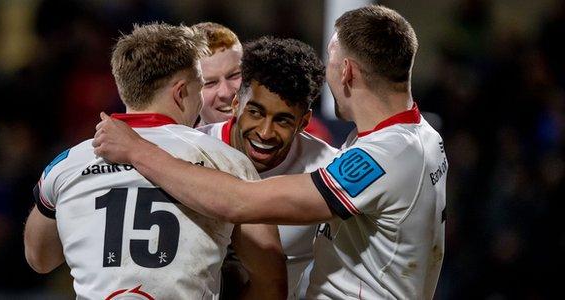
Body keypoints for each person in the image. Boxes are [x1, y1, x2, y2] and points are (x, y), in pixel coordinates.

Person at [93, 5, 447, 299]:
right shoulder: (420, 135)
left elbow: (240, 202)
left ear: (348, 71)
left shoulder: (384, 155)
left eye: (331, 61)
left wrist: (137, 149)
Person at [24, 23, 287, 299]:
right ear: (181, 92)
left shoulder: (66, 164)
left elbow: (39, 259)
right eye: (202, 86)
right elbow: (271, 281)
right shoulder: (229, 163)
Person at [197, 36, 337, 299]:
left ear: (304, 121)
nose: (265, 132)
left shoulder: (328, 170)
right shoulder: (192, 150)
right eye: (256, 112)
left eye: (283, 120)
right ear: (237, 103)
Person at [193, 22, 243, 126]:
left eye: (234, 75)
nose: (226, 93)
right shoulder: (176, 142)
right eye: (210, 83)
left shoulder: (280, 138)